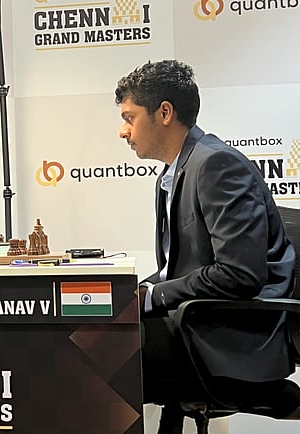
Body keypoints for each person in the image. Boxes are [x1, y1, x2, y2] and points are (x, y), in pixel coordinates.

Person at [115, 60, 299, 428]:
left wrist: (152, 296)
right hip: (195, 321)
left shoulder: (216, 165)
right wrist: (130, 293)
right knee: (96, 339)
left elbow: (239, 274)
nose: (123, 131)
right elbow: (176, 268)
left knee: (103, 358)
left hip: (232, 333)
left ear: (164, 113)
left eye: (129, 118)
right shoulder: (173, 174)